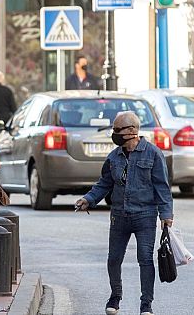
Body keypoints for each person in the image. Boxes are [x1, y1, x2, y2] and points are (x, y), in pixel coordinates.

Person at [75, 111, 173, 315]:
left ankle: (146, 304)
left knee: (145, 259)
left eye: (117, 130)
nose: (114, 134)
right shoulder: (114, 156)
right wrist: (89, 199)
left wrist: (166, 215)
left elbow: (162, 186)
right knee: (113, 259)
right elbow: (104, 183)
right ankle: (115, 296)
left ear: (132, 131)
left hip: (145, 214)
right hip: (119, 215)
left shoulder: (153, 154)